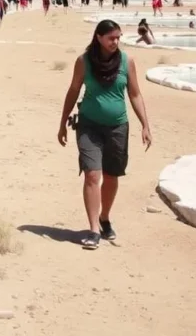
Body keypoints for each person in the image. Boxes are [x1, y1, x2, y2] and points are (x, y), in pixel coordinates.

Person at [58, 20, 153, 250]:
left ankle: (104, 218)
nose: (116, 42)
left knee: (112, 176)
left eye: (118, 37)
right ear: (99, 37)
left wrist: (145, 125)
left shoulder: (126, 61)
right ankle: (92, 230)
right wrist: (62, 123)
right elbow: (73, 90)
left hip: (118, 127)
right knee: (92, 175)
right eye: (111, 38)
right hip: (89, 126)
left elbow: (135, 94)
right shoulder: (83, 61)